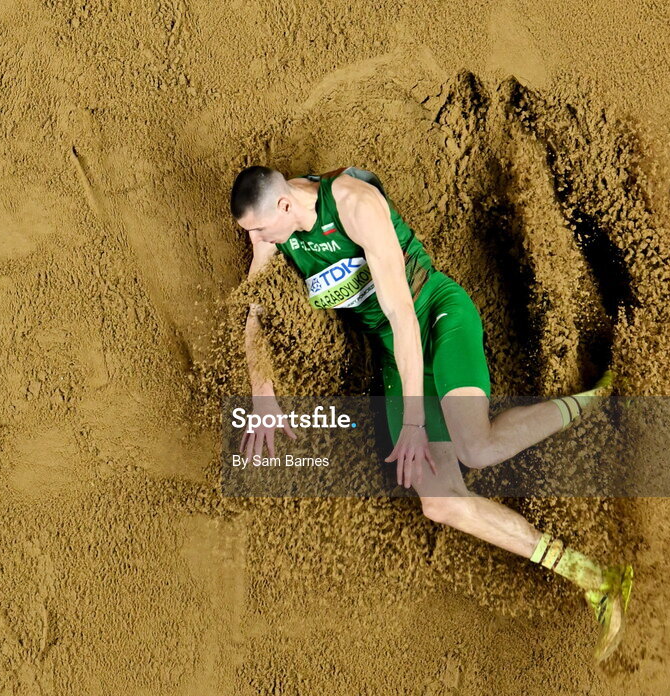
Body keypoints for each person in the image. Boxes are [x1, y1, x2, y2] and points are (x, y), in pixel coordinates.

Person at [230, 164, 633, 662]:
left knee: (476, 447)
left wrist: (417, 423)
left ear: (286, 206)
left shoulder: (354, 206)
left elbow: (402, 315)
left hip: (434, 317)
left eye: (258, 229)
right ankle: (593, 577)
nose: (256, 240)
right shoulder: (274, 232)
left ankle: (592, 402)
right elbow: (254, 311)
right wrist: (262, 393)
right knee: (439, 502)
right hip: (393, 353)